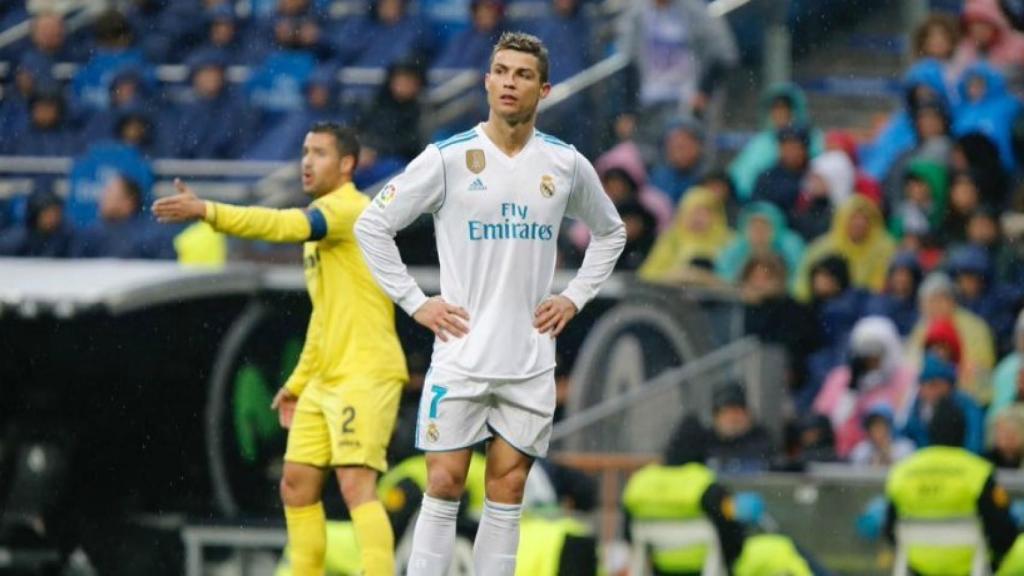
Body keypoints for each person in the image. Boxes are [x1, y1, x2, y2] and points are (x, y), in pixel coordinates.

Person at [353, 32, 626, 575]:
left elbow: (611, 232)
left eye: (523, 75)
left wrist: (573, 297)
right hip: (460, 352)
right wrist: (415, 302)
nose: (509, 82)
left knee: (508, 487)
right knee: (444, 481)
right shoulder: (448, 159)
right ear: (486, 81)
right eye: (501, 71)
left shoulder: (565, 164)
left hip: (528, 357)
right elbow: (371, 225)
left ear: (543, 89)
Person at [152, 123, 408, 576]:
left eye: (321, 153)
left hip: (365, 372)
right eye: (305, 151)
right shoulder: (325, 221)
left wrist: (209, 210)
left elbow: (283, 224)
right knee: (296, 485)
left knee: (355, 485)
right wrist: (298, 381)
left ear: (347, 165)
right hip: (326, 377)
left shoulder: (349, 210)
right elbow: (325, 317)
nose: (307, 161)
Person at [885, 396, 1018, 575]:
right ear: (962, 431)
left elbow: (889, 529)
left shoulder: (901, 471)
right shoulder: (978, 471)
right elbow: (1003, 531)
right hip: (970, 566)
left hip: (918, 567)